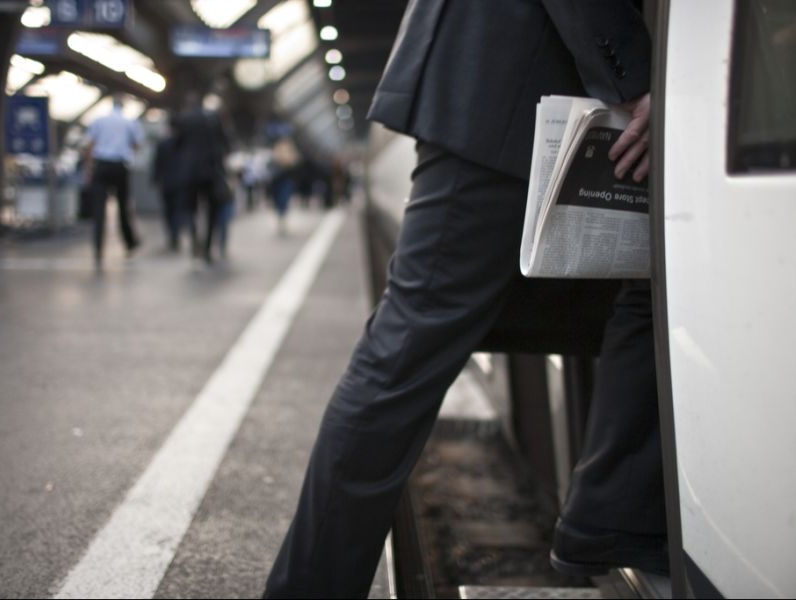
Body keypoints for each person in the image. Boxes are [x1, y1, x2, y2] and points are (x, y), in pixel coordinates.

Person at [264, 1, 661, 597]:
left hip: (513, 88)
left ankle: (608, 516)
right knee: (402, 358)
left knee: (650, 290)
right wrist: (640, 82)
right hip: (505, 89)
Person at [84, 94, 144, 265]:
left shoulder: (99, 121)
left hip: (101, 165)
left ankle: (98, 247)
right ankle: (130, 243)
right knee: (123, 206)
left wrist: (89, 170)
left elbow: (89, 145)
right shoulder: (129, 122)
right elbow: (138, 144)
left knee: (99, 209)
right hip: (120, 166)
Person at [175, 92, 231, 264]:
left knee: (189, 208)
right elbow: (225, 143)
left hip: (189, 172)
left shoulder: (184, 119)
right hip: (211, 171)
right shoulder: (212, 119)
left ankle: (194, 240)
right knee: (212, 210)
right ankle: (207, 248)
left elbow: (178, 144)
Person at [152, 116, 196, 253]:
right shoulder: (185, 144)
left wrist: (155, 180)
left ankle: (172, 235)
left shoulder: (162, 144)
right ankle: (175, 234)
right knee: (178, 210)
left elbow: (157, 164)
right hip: (181, 183)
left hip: (166, 183)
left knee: (168, 210)